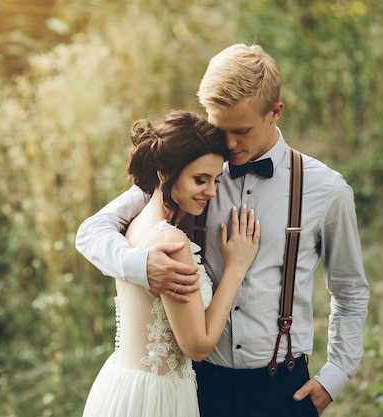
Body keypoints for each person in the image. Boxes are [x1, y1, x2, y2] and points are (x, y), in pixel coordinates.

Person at [76, 43, 370, 417]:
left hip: (282, 387)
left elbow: (350, 290)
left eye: (241, 131)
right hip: (199, 387)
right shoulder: (188, 174)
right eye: (220, 129)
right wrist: (141, 266)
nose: (229, 145)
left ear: (275, 112)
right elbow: (92, 231)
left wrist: (337, 374)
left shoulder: (326, 191)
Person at [80, 110, 261, 417]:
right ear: (164, 174)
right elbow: (198, 346)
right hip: (157, 398)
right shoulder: (173, 243)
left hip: (122, 385)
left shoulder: (134, 223)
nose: (213, 192)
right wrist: (236, 268)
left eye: (216, 180)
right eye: (200, 180)